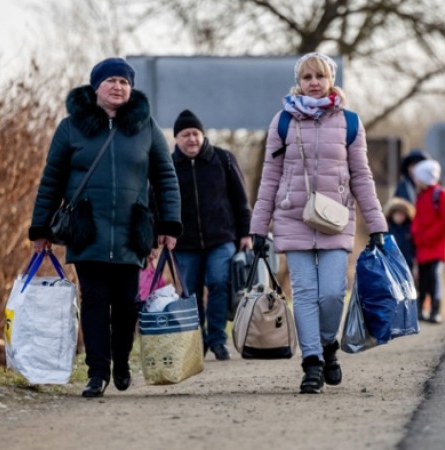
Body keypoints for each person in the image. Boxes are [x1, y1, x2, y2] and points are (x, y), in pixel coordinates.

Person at [29, 57, 182, 398]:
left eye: (124, 82)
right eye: (111, 80)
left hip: (132, 232)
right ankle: (97, 372)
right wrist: (40, 228)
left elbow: (166, 177)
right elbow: (51, 180)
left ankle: (122, 361)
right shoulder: (71, 128)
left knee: (126, 302)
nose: (118, 87)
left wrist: (169, 224)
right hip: (87, 231)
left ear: (131, 88)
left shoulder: (146, 127)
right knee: (95, 300)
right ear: (96, 86)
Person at [250, 52, 388, 394]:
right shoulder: (282, 121)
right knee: (305, 293)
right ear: (299, 81)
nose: (314, 83)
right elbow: (269, 177)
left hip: (336, 219)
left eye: (320, 77)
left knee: (332, 292)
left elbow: (361, 175)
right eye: (307, 77)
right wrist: (258, 226)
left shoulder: (350, 122)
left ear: (331, 81)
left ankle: (328, 346)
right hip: (292, 216)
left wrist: (377, 224)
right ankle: (311, 363)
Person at [171, 109, 253, 361]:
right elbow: (158, 203)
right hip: (184, 242)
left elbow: (241, 200)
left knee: (219, 283)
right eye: (185, 135)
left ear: (203, 135)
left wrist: (246, 233)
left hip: (222, 238)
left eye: (195, 133)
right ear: (177, 138)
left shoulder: (223, 159)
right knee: (190, 292)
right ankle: (198, 339)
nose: (191, 139)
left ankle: (217, 339)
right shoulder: (168, 165)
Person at [410, 160, 445, 324]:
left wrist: (430, 235)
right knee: (423, 278)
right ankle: (421, 309)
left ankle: (436, 310)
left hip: (437, 245)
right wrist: (415, 234)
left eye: (418, 178)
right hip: (423, 246)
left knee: (435, 276)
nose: (416, 181)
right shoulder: (420, 196)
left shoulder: (441, 194)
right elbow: (418, 219)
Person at [384, 197, 416, 273]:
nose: (399, 217)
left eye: (402, 214)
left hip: (408, 265)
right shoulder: (387, 230)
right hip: (391, 265)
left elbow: (415, 248)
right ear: (392, 214)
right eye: (397, 214)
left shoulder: (410, 229)